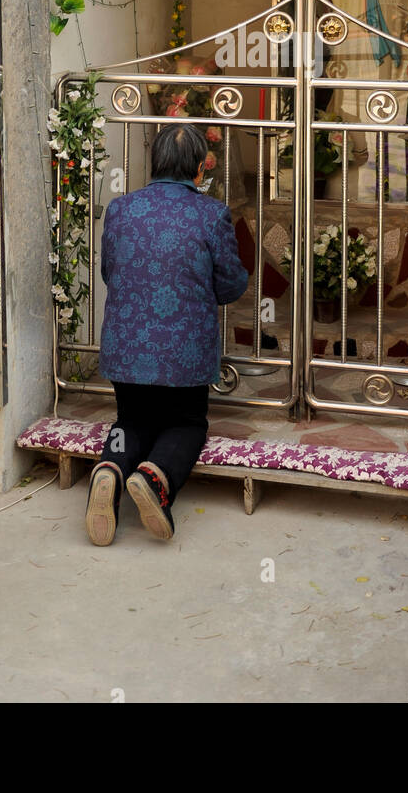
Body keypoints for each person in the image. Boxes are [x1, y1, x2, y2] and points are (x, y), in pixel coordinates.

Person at [85, 122, 248, 546]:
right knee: (187, 423)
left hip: (125, 349)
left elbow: (109, 272)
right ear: (198, 168)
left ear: (154, 164)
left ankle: (110, 470)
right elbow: (230, 285)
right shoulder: (211, 214)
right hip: (184, 355)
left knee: (131, 421)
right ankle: (153, 480)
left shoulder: (120, 210)